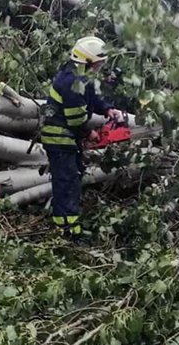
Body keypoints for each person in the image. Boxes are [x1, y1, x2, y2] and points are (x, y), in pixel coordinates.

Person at [41, 36, 125, 237]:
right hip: (59, 138)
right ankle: (67, 231)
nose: (102, 65)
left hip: (67, 138)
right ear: (88, 61)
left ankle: (70, 226)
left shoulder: (80, 76)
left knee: (72, 182)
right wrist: (90, 133)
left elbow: (91, 98)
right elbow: (76, 118)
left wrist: (107, 110)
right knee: (66, 184)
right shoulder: (71, 81)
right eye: (100, 61)